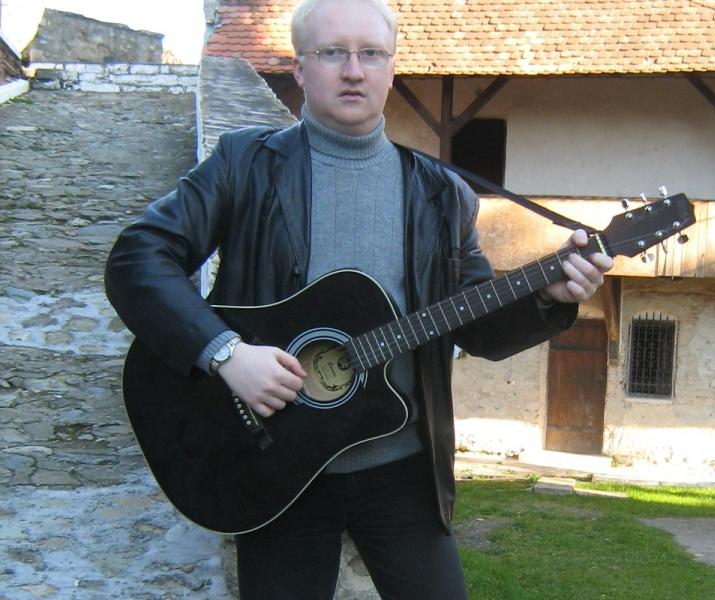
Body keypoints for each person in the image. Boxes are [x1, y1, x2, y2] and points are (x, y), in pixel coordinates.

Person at [105, 0, 613, 597]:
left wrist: (548, 296)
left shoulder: (442, 195)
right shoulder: (246, 165)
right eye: (332, 53)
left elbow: (475, 322)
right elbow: (138, 257)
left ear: (391, 68)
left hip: (403, 469)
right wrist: (226, 353)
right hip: (274, 465)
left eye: (371, 53)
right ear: (300, 69)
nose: (353, 70)